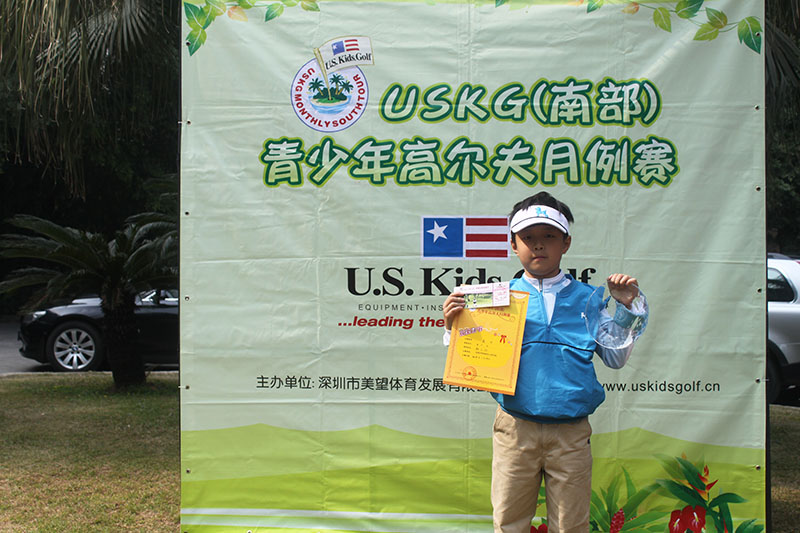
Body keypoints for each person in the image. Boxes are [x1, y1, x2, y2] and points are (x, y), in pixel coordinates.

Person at [442, 192, 647, 533]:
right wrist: (455, 327)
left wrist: (626, 309)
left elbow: (614, 357)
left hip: (570, 433)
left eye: (549, 236)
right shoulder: (494, 299)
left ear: (566, 243)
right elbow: (471, 362)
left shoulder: (589, 299)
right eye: (528, 238)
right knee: (509, 523)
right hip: (514, 428)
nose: (538, 245)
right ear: (513, 244)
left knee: (571, 525)